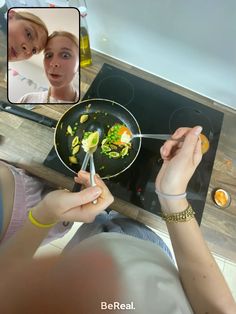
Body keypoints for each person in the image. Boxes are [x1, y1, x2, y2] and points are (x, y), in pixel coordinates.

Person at [0, 126, 235, 314]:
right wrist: (171, 194)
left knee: (96, 226)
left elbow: (6, 283)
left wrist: (45, 214)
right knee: (127, 225)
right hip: (149, 250)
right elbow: (219, 309)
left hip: (82, 246)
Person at [18, 31, 79, 103]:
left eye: (65, 55)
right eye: (48, 55)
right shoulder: (27, 100)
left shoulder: (86, 104)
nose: (54, 63)